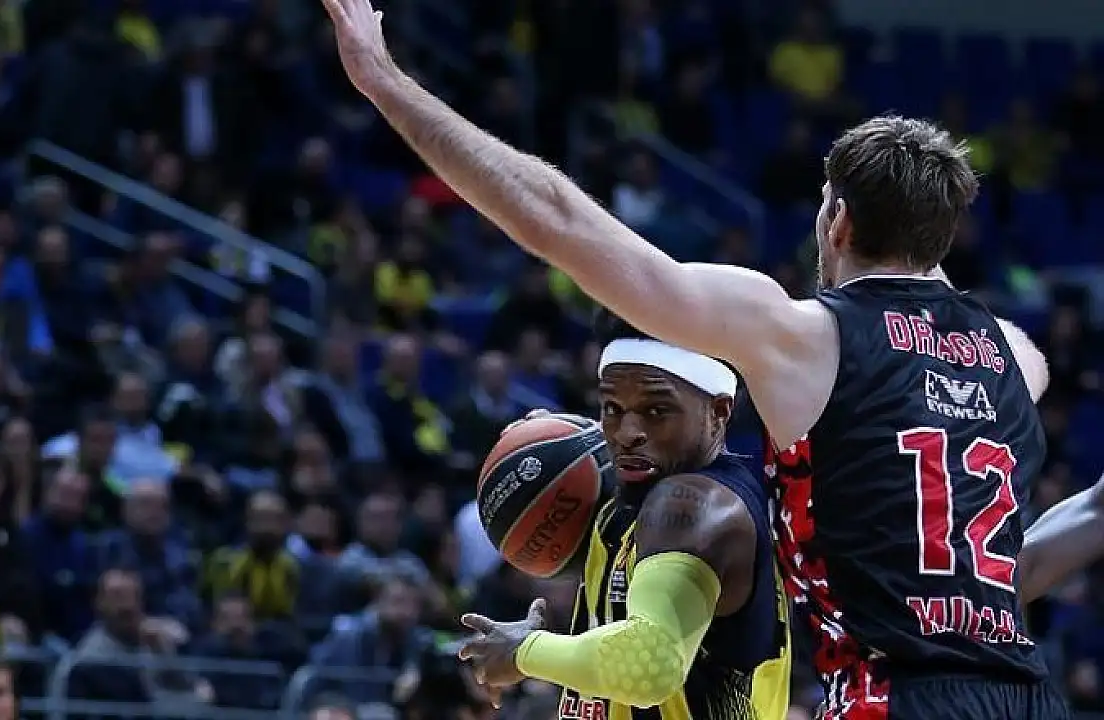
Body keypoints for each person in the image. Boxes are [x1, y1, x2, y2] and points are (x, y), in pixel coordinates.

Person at [317, 2, 1066, 716]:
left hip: (891, 695)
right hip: (1026, 693)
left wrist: (386, 83)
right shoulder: (1010, 359)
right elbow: (977, 334)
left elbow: (557, 216)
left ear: (835, 219)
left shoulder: (805, 338)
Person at [460, 311, 791, 720]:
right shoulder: (642, 490)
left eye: (656, 411)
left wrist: (524, 652)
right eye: (613, 409)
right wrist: (558, 442)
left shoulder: (693, 505)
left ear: (719, 412)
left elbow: (650, 666)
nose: (626, 433)